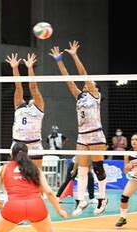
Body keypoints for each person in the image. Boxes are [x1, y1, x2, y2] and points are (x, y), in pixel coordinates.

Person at [50, 40, 108, 216]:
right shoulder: (80, 96)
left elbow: (83, 74)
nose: (86, 84)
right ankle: (81, 201)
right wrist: (59, 60)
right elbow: (68, 79)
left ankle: (102, 198)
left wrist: (74, 55)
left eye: (90, 83)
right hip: (82, 136)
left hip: (96, 135)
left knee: (97, 167)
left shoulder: (95, 95)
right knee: (81, 170)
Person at [6, 53, 45, 168]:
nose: (33, 99)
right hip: (18, 144)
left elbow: (33, 87)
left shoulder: (39, 108)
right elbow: (18, 86)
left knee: (37, 176)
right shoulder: (20, 107)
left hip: (35, 145)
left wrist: (30, 67)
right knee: (16, 176)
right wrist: (15, 68)